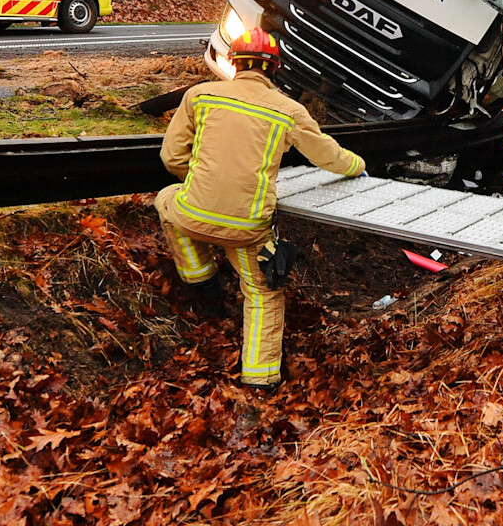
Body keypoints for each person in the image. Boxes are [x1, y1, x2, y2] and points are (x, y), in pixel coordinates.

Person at [154, 28, 366, 391]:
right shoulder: (288, 110)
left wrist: (202, 181)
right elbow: (326, 155)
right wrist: (356, 165)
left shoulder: (199, 96)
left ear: (234, 62)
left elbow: (170, 157)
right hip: (247, 228)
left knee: (165, 199)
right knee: (263, 294)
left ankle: (201, 277)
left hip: (193, 214)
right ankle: (260, 378)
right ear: (275, 69)